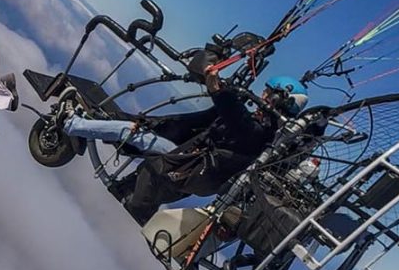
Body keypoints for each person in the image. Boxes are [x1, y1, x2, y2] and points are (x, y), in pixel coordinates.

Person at [111, 74, 310, 225]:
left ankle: (129, 216)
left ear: (277, 99)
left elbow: (237, 117)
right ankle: (126, 131)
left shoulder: (260, 132)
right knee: (147, 176)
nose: (262, 94)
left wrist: (218, 91)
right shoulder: (264, 131)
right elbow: (205, 120)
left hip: (191, 171)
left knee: (151, 174)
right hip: (195, 175)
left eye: (267, 91)